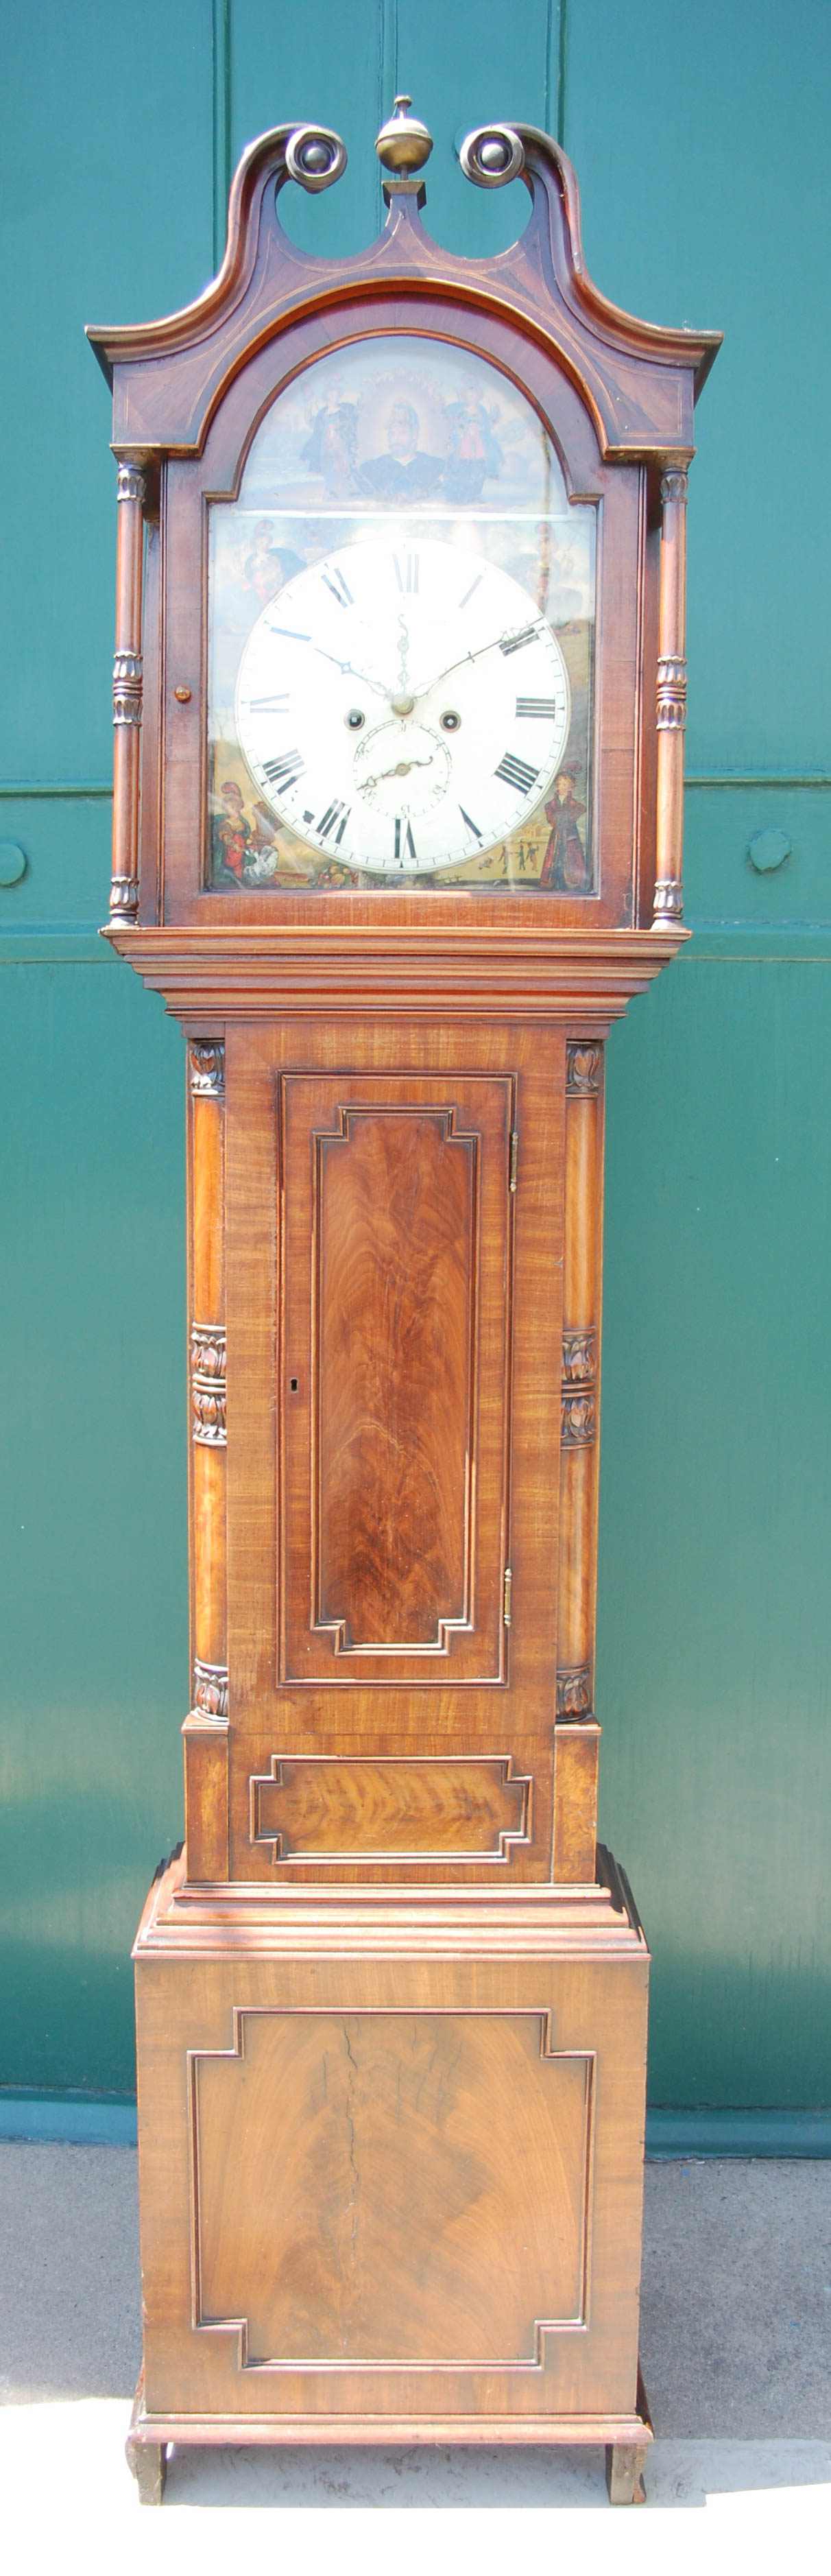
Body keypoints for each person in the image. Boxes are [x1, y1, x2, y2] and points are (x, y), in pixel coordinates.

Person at [361, 401, 444, 501]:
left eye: (402, 433)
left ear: (414, 434)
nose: (396, 439)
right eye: (392, 433)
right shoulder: (373, 468)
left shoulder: (434, 466)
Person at [539, 763, 590, 891]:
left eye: (564, 785)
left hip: (569, 832)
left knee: (571, 853)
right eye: (560, 784)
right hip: (557, 833)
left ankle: (572, 880)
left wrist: (568, 819)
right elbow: (549, 811)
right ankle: (555, 880)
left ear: (571, 787)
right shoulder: (553, 803)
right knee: (556, 854)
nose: (561, 787)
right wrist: (556, 819)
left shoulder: (572, 803)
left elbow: (581, 809)